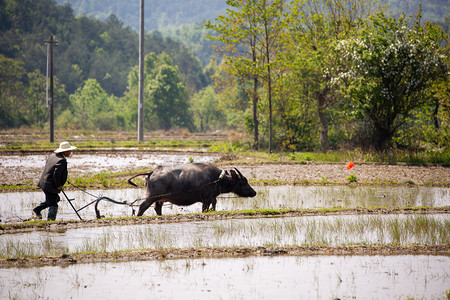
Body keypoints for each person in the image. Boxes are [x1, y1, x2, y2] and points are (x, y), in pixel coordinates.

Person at [33, 141, 77, 221]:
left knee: (55, 199)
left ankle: (38, 209)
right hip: (50, 185)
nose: (70, 152)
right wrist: (58, 185)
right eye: (69, 151)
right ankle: (50, 221)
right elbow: (56, 175)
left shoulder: (53, 156)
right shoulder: (61, 160)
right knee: (53, 204)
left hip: (45, 182)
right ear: (65, 151)